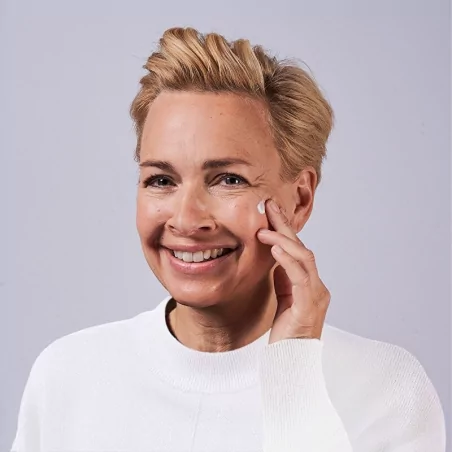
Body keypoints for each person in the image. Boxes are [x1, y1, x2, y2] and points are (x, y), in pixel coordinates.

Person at [11, 27, 446, 452]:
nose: (186, 220)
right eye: (161, 180)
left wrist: (294, 372)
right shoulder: (69, 376)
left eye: (228, 179)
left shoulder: (386, 391)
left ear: (299, 199)